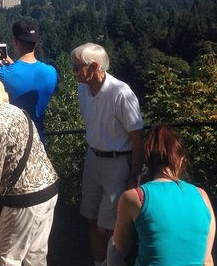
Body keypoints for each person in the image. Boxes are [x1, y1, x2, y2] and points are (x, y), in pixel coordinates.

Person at [0, 71, 59, 266]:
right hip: (48, 190)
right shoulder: (19, 112)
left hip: (24, 200)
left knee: (7, 258)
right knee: (35, 257)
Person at [71, 43, 144, 266]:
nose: (73, 71)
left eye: (76, 67)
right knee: (92, 220)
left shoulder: (120, 93)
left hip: (117, 163)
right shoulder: (83, 89)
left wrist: (134, 175)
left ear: (94, 66)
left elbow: (138, 139)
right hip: (93, 159)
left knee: (109, 228)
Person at [108, 125, 215, 266]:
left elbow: (121, 248)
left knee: (112, 247)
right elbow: (207, 259)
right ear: (180, 161)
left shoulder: (135, 197)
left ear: (148, 160)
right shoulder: (202, 196)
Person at [0, 19, 58, 141]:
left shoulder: (2, 74)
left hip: (14, 139)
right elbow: (28, 77)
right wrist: (12, 65)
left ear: (15, 41)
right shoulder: (51, 72)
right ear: (36, 43)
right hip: (38, 138)